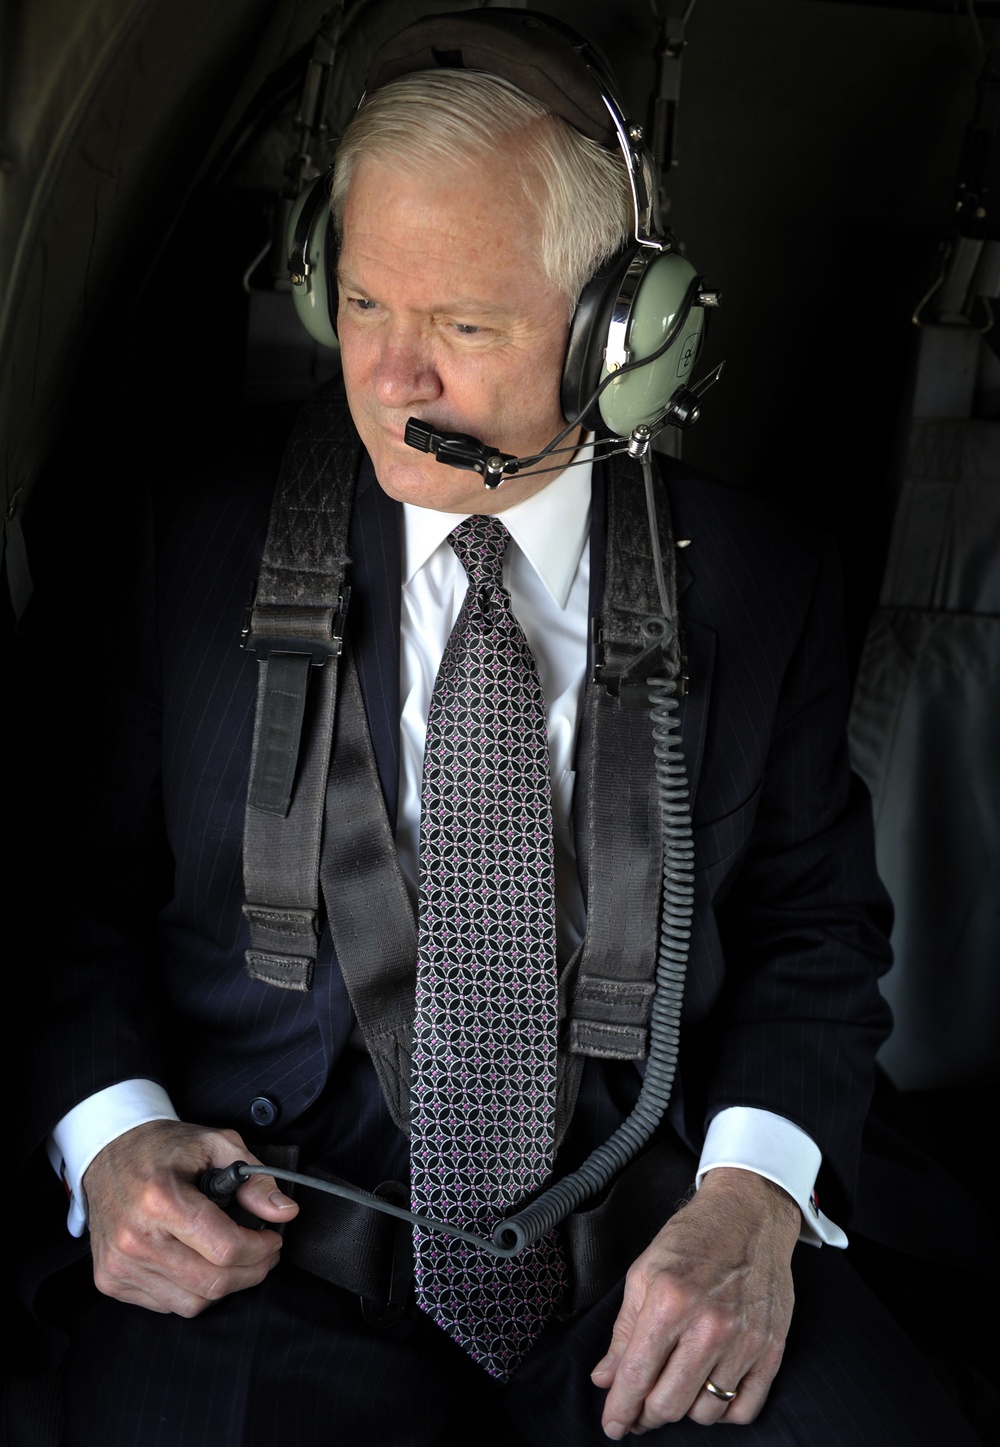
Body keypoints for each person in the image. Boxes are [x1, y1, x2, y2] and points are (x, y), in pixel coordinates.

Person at [17, 10, 982, 1446]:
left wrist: (756, 1200)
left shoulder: (770, 585)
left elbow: (809, 929)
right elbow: (56, 887)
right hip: (268, 1261)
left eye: (465, 326)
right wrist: (111, 1134)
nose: (393, 384)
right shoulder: (182, 541)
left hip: (649, 1254)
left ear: (621, 339)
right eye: (360, 306)